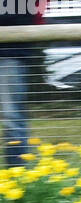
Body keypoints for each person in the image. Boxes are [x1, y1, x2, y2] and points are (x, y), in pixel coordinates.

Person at [0, 0, 42, 167]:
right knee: (13, 117)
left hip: (10, 55)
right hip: (11, 55)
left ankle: (17, 177)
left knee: (12, 117)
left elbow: (21, 15)